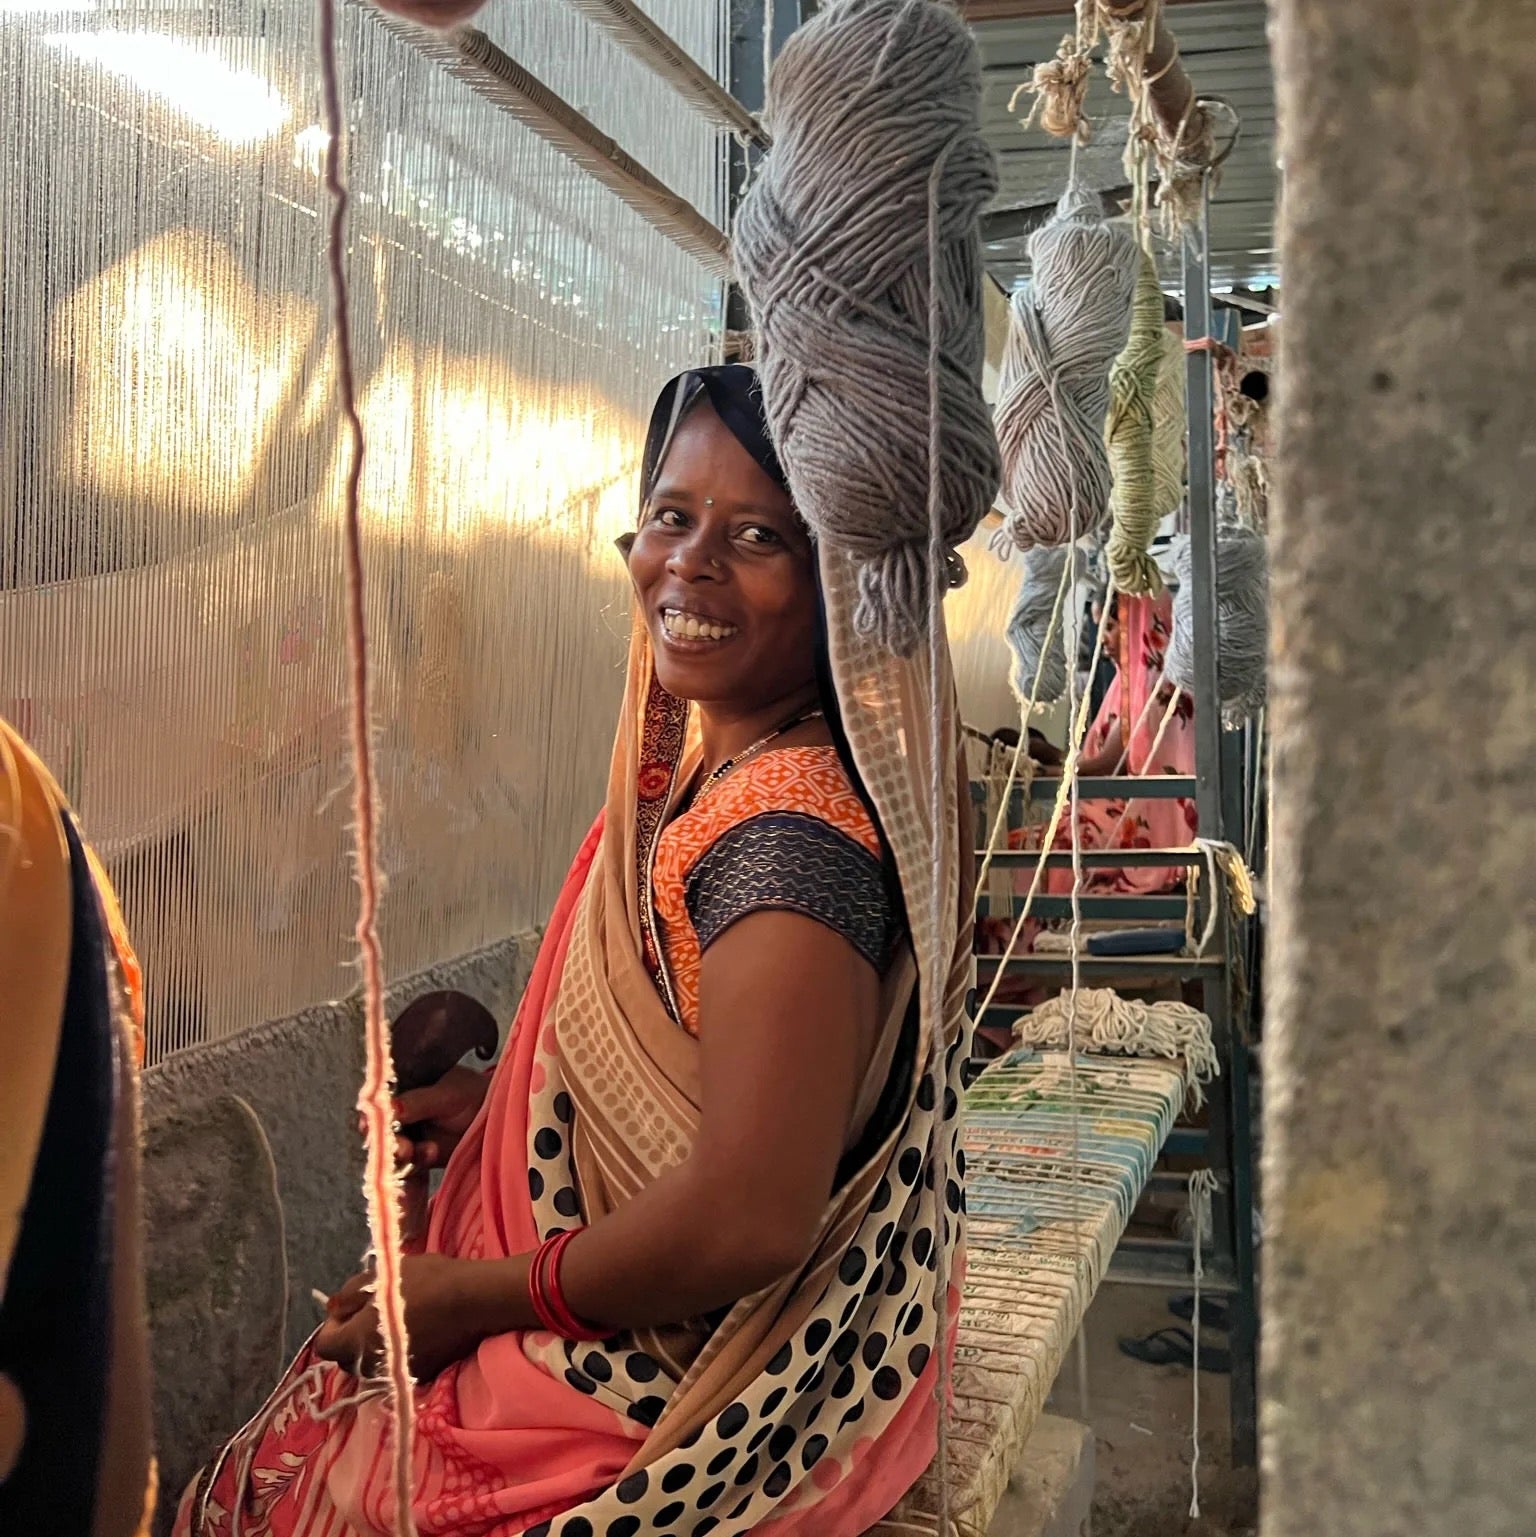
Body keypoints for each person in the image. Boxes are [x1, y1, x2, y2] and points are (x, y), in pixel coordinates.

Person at [176, 365, 972, 1536]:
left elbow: (751, 1217)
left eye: (759, 535)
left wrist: (474, 1298)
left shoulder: (784, 845)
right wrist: (515, 1110)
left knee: (299, 1498)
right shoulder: (717, 769)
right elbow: (706, 1077)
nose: (690, 564)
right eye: (671, 515)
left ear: (845, 583)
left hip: (703, 1380)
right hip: (652, 1300)